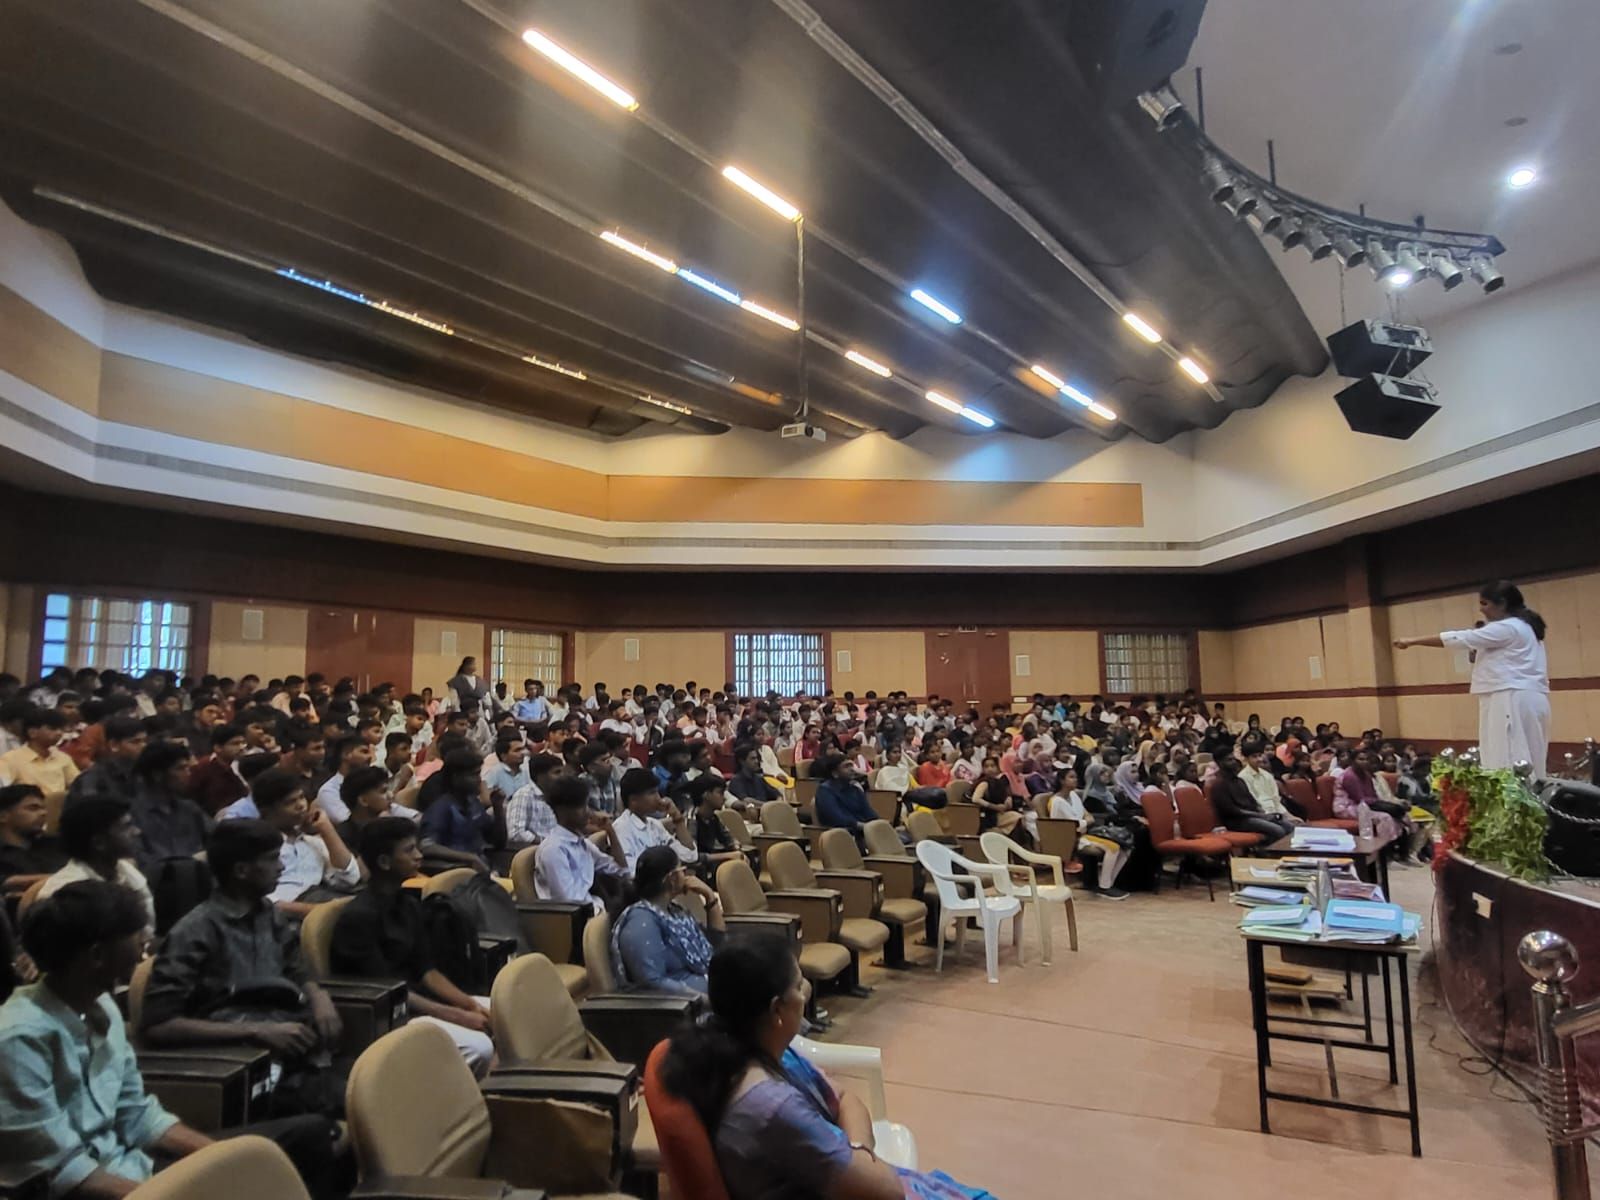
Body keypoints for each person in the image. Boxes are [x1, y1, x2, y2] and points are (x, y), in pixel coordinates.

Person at [0, 882, 338, 1199]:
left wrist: (222, 1159)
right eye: (134, 937)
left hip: (137, 1165)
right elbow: (63, 1172)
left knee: (312, 1137)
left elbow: (137, 1115)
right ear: (97, 956)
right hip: (92, 1190)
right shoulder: (18, 1038)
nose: (144, 945)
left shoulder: (99, 1004)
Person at [660, 937, 993, 1199]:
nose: (806, 992)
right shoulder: (771, 1106)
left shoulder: (754, 1048)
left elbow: (846, 1098)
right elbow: (885, 1190)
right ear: (777, 1009)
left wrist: (857, 1151)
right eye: (799, 984)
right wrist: (860, 1158)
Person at [141, 821, 347, 1118]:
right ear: (241, 871)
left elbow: (296, 970)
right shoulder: (195, 931)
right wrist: (257, 1031)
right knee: (363, 1102)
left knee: (384, 1077)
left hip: (292, 1050)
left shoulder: (268, 914)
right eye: (271, 859)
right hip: (238, 1067)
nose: (280, 867)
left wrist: (319, 996)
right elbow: (158, 1025)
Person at [330, 818, 495, 1076]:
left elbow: (426, 970)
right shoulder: (358, 918)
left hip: (421, 998)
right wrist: (455, 1015)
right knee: (479, 1047)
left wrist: (467, 1004)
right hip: (390, 1013)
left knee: (505, 1010)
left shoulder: (408, 904)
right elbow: (389, 992)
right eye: (409, 851)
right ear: (384, 862)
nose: (419, 856)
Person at [1394, 579, 1551, 773]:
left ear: (1502, 603)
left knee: (1507, 759)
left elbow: (1460, 638)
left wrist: (1412, 641)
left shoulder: (1508, 627)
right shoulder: (1526, 628)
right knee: (1527, 759)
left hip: (1510, 696)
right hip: (1524, 696)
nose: (1481, 610)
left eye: (1485, 604)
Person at [612, 845, 724, 994]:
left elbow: (716, 944)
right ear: (672, 878)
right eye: (682, 871)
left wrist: (709, 896)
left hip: (713, 990)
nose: (686, 876)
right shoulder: (641, 921)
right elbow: (652, 984)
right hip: (683, 1009)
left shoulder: (674, 912)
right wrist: (711, 1001)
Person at [39, 797, 157, 935]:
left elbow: (147, 932)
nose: (137, 832)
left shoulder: (125, 871)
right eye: (126, 827)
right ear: (99, 843)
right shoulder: (63, 894)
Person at [251, 769, 361, 916]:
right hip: (285, 918)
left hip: (323, 902)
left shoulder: (311, 842)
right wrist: (320, 912)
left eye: (302, 797)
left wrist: (326, 829)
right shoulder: (257, 846)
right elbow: (263, 901)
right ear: (266, 811)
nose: (301, 805)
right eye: (290, 802)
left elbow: (350, 878)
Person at [532, 775, 629, 912]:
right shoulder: (553, 850)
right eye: (582, 806)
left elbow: (621, 871)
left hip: (594, 909)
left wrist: (610, 831)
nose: (589, 813)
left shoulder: (582, 843)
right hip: (570, 919)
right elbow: (568, 900)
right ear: (563, 810)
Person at [126, 740, 210, 874]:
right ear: (157, 775)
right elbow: (141, 863)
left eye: (188, 768)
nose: (188, 774)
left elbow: (218, 841)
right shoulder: (131, 816)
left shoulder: (190, 809)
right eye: (180, 768)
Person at [1045, 770, 1129, 900]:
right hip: (1071, 838)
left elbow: (1088, 815)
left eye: (1076, 777)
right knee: (1112, 848)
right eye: (1071, 777)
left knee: (1124, 847)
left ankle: (1107, 883)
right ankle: (1104, 887)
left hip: (1085, 832)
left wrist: (1084, 821)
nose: (1075, 780)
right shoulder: (1056, 802)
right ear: (1062, 780)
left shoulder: (1074, 795)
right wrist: (1084, 822)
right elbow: (1062, 825)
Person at [419, 749, 505, 872]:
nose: (479, 780)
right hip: (457, 871)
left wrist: (498, 809)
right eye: (474, 775)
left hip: (483, 865)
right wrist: (469, 858)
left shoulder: (473, 802)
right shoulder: (441, 808)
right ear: (456, 777)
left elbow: (498, 842)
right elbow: (426, 846)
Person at [613, 767, 700, 872]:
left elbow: (690, 856)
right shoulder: (621, 828)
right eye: (652, 793)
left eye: (657, 792)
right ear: (633, 800)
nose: (658, 798)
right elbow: (629, 871)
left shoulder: (655, 825)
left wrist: (677, 818)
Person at [0, 707, 80, 821]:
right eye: (52, 728)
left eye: (60, 729)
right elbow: (3, 792)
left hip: (61, 816)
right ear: (32, 733)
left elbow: (77, 784)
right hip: (27, 818)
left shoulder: (63, 758)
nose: (59, 733)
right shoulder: (10, 759)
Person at [65, 715, 148, 809]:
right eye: (135, 742)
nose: (144, 746)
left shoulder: (145, 773)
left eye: (145, 741)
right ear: (114, 745)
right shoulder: (93, 779)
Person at [1209, 752, 1295, 841]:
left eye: (1234, 759)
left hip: (1252, 816)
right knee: (1278, 830)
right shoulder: (1218, 784)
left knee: (1289, 826)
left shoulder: (1239, 781)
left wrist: (1265, 814)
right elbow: (1233, 811)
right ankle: (1267, 853)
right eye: (1229, 760)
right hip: (1237, 821)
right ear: (1219, 763)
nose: (1234, 762)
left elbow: (1253, 802)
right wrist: (1261, 816)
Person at [0, 783, 67, 894]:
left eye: (44, 808)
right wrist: (64, 878)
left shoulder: (55, 844)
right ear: (3, 816)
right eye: (33, 808)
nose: (43, 813)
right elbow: (6, 882)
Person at [187, 723, 250, 815]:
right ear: (218, 748)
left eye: (243, 743)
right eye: (235, 744)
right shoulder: (202, 769)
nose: (241, 748)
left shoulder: (243, 765)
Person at [812, 752, 877, 838]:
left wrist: (880, 824)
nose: (852, 769)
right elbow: (837, 818)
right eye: (846, 766)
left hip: (864, 832)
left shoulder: (855, 789)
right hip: (842, 837)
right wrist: (863, 826)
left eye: (851, 765)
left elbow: (869, 813)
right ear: (835, 773)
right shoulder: (825, 791)